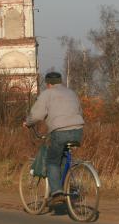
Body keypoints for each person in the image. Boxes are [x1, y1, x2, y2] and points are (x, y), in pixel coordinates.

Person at [23, 71, 84, 205]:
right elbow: (79, 111)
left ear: (48, 84)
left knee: (52, 161)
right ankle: (63, 186)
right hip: (78, 130)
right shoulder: (71, 93)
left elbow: (37, 114)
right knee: (61, 157)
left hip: (59, 131)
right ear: (60, 82)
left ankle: (56, 192)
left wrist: (28, 122)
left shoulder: (47, 94)